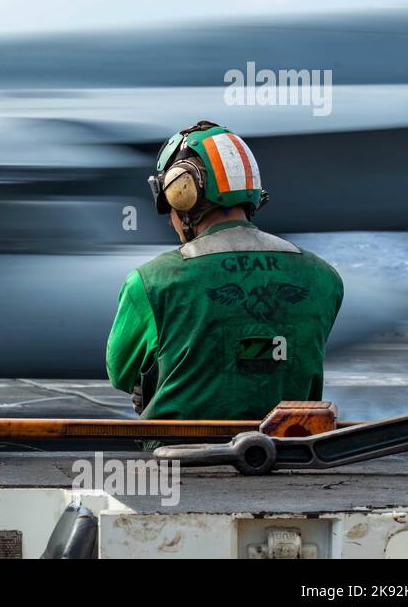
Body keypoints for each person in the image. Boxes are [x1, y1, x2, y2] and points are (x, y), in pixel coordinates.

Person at [106, 121, 344, 420]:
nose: (170, 220)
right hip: (289, 450)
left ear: (183, 193)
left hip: (176, 454)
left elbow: (121, 373)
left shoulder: (150, 281)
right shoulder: (323, 277)